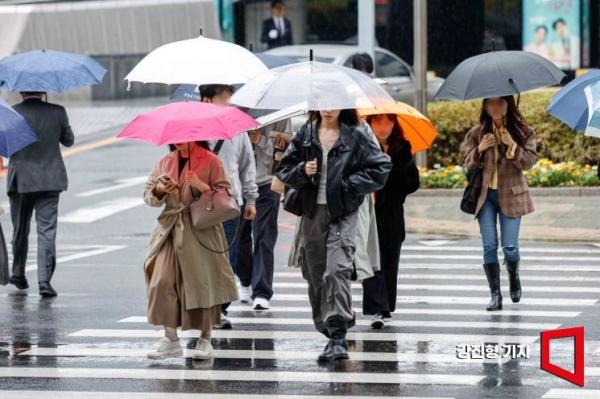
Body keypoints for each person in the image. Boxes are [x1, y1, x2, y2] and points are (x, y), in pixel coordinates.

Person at [277, 109, 391, 362]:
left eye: (334, 102)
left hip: (344, 210)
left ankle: (338, 334)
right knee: (315, 273)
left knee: (336, 268)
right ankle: (329, 331)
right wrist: (302, 170)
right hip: (312, 210)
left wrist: (349, 186)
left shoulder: (357, 132)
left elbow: (381, 167)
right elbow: (284, 169)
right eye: (323, 102)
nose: (328, 108)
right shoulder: (306, 133)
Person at [143, 141, 238, 360]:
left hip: (201, 228)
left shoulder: (212, 160)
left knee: (203, 284)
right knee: (162, 281)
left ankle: (205, 339)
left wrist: (200, 185)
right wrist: (159, 189)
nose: (178, 140)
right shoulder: (165, 162)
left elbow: (226, 194)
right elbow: (148, 195)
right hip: (170, 229)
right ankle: (170, 339)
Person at [463, 96, 538, 311]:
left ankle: (513, 275)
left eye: (500, 102)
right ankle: (495, 295)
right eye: (490, 103)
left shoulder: (524, 131)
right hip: (485, 197)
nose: (495, 107)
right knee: (489, 245)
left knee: (510, 247)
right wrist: (479, 148)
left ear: (509, 104)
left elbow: (529, 162)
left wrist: (511, 144)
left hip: (512, 195)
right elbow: (468, 163)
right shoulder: (477, 132)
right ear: (485, 106)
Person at [198, 84, 258, 328]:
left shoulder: (236, 128)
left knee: (225, 258)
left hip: (230, 204)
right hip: (199, 205)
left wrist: (250, 198)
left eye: (229, 98)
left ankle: (219, 308)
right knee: (203, 258)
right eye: (223, 99)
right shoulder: (194, 129)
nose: (228, 103)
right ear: (207, 100)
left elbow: (246, 165)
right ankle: (205, 307)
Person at [7, 91, 74, 297]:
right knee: (47, 231)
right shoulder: (58, 111)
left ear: (21, 92)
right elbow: (69, 140)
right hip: (50, 178)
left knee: (20, 229)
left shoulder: (12, 114)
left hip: (21, 179)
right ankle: (44, 281)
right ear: (44, 91)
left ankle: (18, 273)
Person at [362, 114, 420, 328]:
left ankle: (386, 306)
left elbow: (413, 184)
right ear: (370, 124)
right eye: (378, 122)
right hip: (368, 210)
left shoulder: (402, 149)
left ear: (394, 124)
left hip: (392, 213)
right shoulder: (363, 147)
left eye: (388, 122)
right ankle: (376, 308)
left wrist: (396, 167)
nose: (384, 127)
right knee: (369, 260)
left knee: (389, 261)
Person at [243, 119, 291, 310]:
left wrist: (261, 140)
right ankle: (246, 278)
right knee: (238, 240)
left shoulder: (280, 114)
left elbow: (287, 150)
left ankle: (262, 291)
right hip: (238, 184)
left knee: (264, 238)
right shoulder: (235, 108)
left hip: (267, 182)